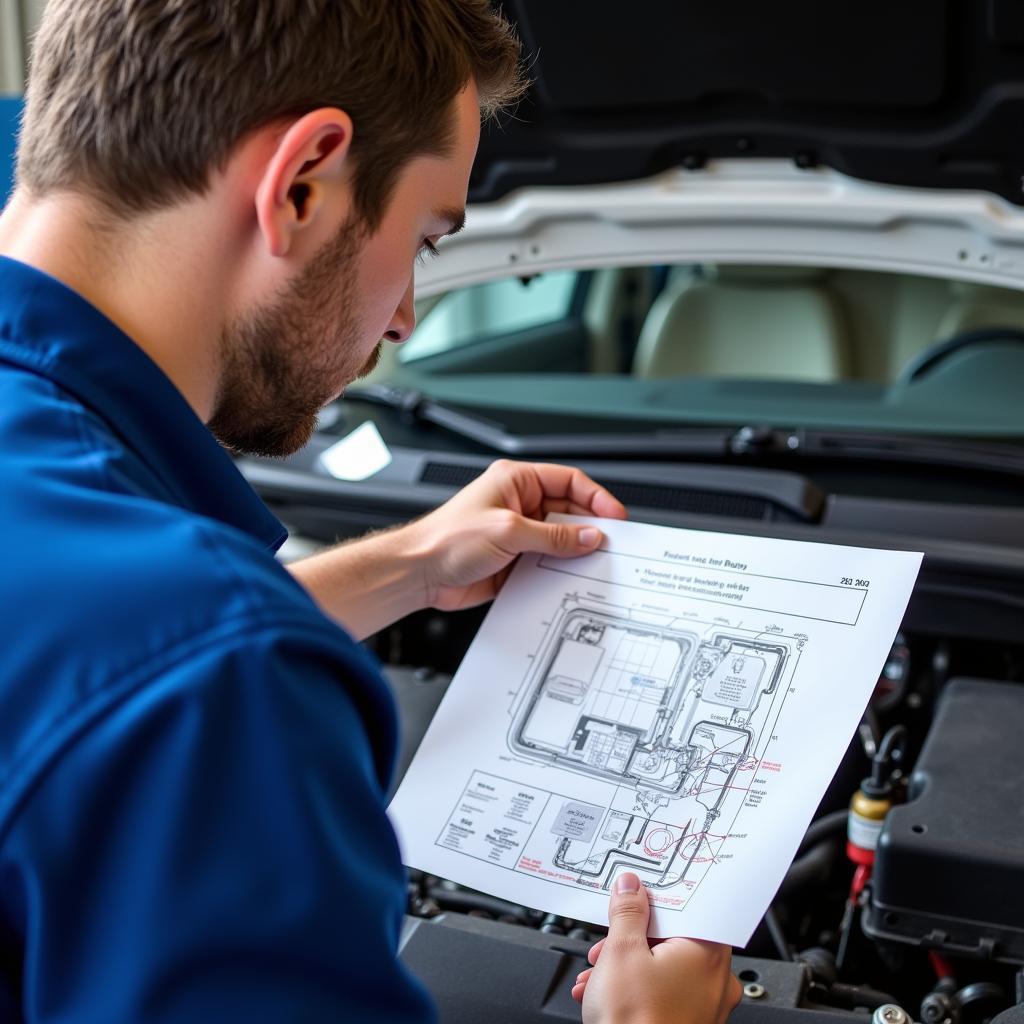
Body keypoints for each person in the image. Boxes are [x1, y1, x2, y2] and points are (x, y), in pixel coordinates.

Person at [0, 1, 741, 1021]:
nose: (403, 317)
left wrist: (413, 564)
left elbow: (63, 662)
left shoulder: (121, 603)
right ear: (304, 181)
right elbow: (161, 666)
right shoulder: (210, 676)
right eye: (427, 238)